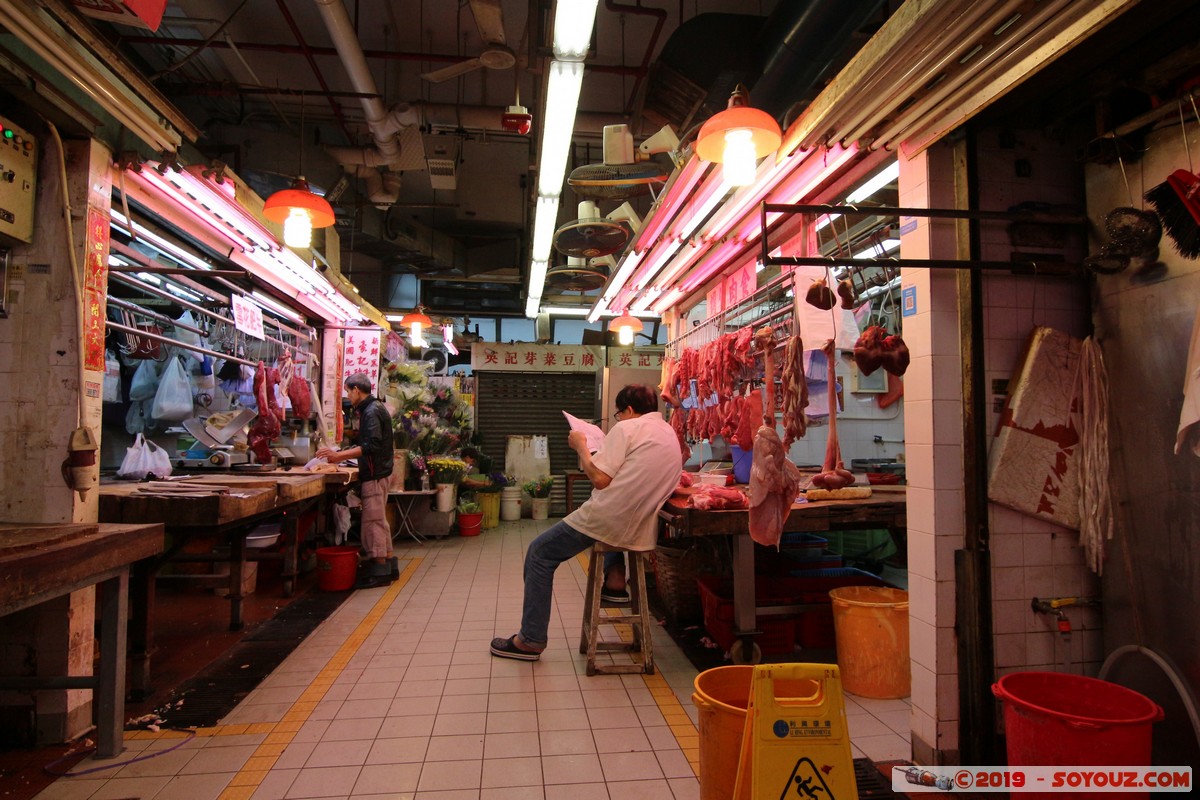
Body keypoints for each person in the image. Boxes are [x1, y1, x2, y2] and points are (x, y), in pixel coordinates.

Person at [490, 384, 683, 660]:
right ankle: (615, 584)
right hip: (637, 524)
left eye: (619, 414)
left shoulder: (627, 429)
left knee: (539, 553)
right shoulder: (667, 432)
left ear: (629, 410)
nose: (619, 420)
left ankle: (530, 640)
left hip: (612, 517)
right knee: (606, 529)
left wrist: (582, 448)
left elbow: (600, 480)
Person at [316, 372, 396, 589]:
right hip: (380, 472)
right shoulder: (374, 408)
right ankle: (388, 563)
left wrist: (338, 456)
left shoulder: (371, 411)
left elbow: (373, 446)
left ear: (357, 390)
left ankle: (379, 569)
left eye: (348, 392)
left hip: (375, 474)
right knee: (379, 519)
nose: (348, 396)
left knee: (372, 521)